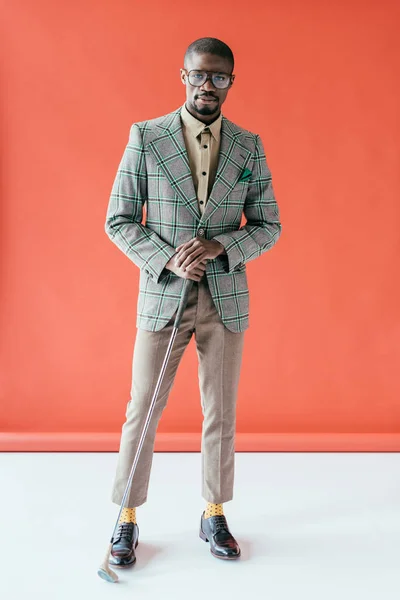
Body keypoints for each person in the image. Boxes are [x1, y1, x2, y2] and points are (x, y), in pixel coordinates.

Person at [104, 36, 282, 568]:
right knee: (143, 408)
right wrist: (167, 257)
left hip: (225, 299)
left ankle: (214, 510)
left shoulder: (249, 146)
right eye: (200, 74)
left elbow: (270, 224)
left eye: (220, 76)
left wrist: (223, 244)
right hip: (164, 296)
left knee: (219, 412)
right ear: (183, 76)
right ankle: (127, 518)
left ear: (231, 81)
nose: (209, 84)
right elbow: (118, 220)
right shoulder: (147, 137)